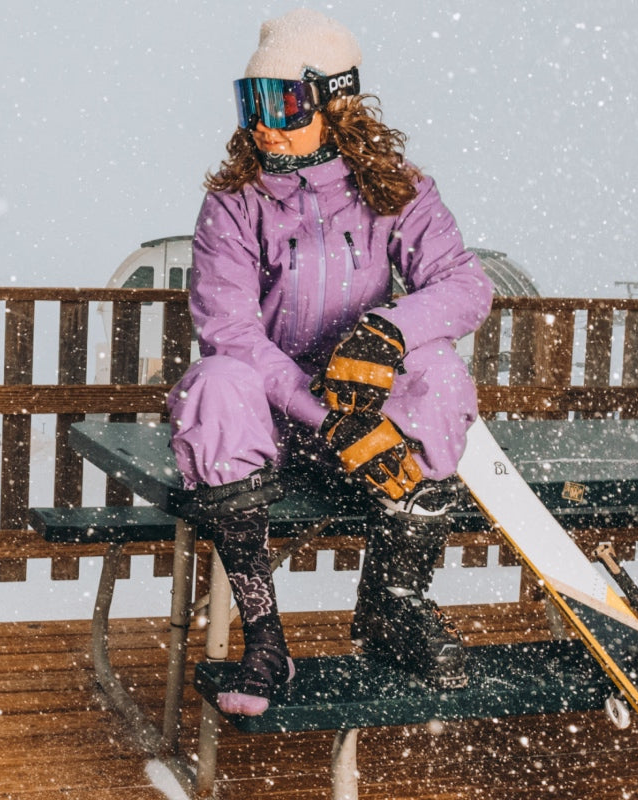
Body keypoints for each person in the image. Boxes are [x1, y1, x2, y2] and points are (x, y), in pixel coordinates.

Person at [167, 8, 493, 716]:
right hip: (276, 432)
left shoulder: (395, 190)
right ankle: (264, 638)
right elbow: (230, 331)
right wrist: (326, 415)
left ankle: (392, 605)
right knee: (215, 383)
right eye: (251, 102)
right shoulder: (234, 205)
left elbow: (466, 285)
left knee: (436, 371)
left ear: (333, 101)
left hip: (369, 426)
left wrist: (386, 332)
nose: (264, 123)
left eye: (282, 102)